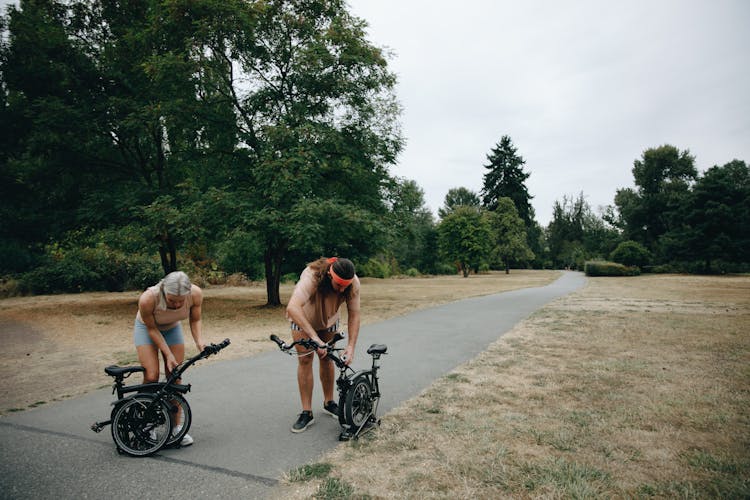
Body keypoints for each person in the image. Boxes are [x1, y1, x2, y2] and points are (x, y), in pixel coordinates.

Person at [285, 257, 361, 433]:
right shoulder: (312, 277)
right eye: (338, 284)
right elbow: (292, 307)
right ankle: (306, 412)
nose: (342, 289)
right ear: (329, 275)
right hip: (303, 319)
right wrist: (315, 338)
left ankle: (329, 402)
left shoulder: (353, 283)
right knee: (305, 360)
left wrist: (350, 347)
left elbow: (355, 314)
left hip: (329, 320)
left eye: (345, 285)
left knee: (327, 358)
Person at [133, 271, 205, 446]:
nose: (177, 304)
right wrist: (168, 354)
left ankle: (175, 427)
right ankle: (146, 425)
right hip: (147, 329)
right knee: (151, 375)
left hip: (172, 328)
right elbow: (152, 329)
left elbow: (195, 320)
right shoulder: (148, 298)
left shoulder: (195, 294)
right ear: (164, 290)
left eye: (181, 301)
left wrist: (199, 342)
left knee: (175, 376)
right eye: (172, 300)